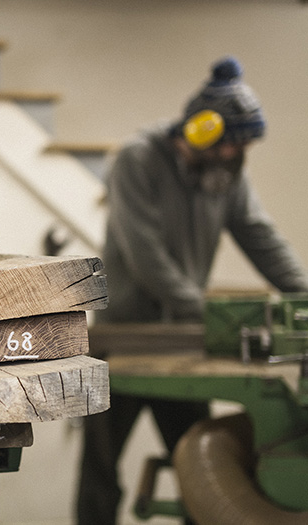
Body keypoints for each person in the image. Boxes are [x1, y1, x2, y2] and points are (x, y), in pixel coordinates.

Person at [76, 56, 308, 525]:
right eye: (229, 144)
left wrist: (303, 292)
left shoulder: (226, 174)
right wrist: (205, 312)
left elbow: (260, 236)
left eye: (243, 146)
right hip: (122, 339)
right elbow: (146, 257)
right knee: (101, 472)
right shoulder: (138, 160)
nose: (235, 155)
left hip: (183, 340)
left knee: (199, 471)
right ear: (201, 130)